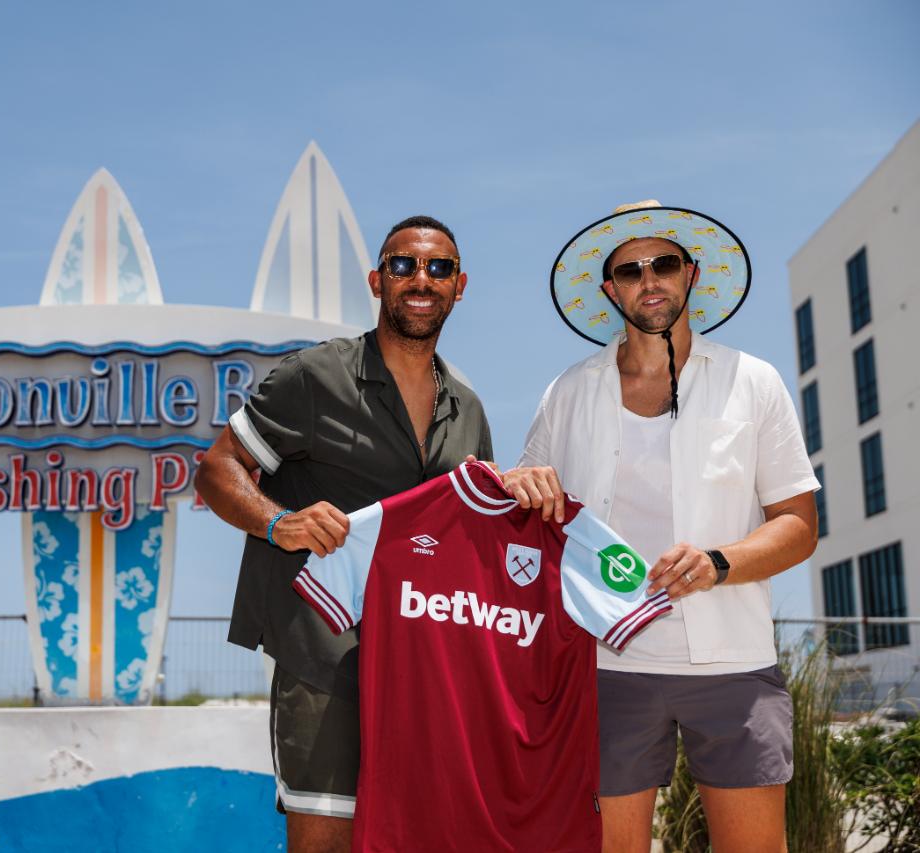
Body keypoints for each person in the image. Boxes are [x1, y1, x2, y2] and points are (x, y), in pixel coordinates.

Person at [195, 215, 559, 853]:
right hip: (324, 656)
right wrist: (278, 523)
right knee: (326, 840)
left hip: (430, 665)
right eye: (403, 265)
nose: (421, 279)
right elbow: (217, 468)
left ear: (460, 286)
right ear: (377, 280)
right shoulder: (314, 376)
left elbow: (473, 533)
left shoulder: (467, 410)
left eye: (438, 268)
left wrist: (519, 493)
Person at [519, 200, 820, 852]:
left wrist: (717, 562)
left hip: (736, 665)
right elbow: (525, 515)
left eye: (663, 263)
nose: (648, 280)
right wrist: (515, 483)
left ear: (691, 273)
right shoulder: (567, 392)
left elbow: (798, 524)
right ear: (610, 290)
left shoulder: (754, 381)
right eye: (630, 270)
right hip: (603, 664)